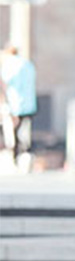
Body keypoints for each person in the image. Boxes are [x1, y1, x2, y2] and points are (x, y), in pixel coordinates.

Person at [1, 43, 37, 172]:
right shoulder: (28, 64)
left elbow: (4, 83)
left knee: (13, 133)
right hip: (30, 104)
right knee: (25, 131)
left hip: (15, 104)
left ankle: (17, 159)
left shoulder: (10, 65)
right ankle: (27, 156)